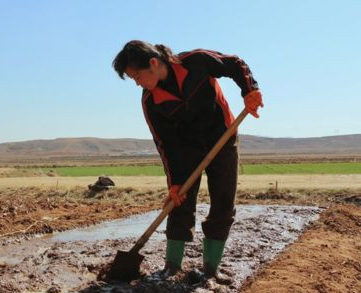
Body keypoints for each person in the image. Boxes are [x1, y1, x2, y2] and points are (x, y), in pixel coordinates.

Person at [112, 41, 263, 278]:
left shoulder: (197, 62)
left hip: (222, 138)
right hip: (186, 149)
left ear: (153, 63)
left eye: (137, 76)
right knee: (179, 201)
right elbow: (165, 144)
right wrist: (174, 182)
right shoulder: (151, 101)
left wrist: (250, 90)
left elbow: (234, 64)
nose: (137, 83)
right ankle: (172, 266)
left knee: (223, 203)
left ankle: (210, 270)